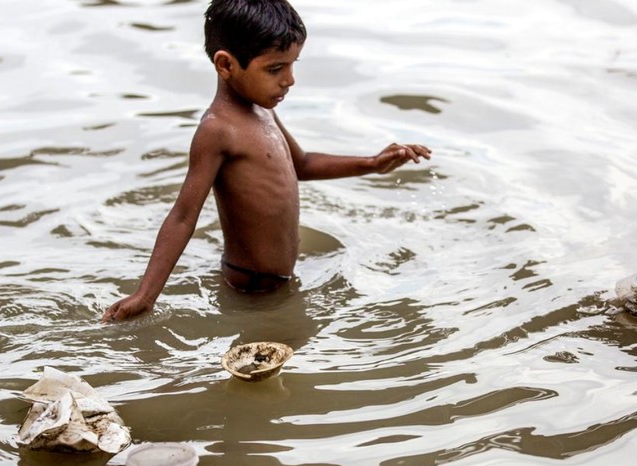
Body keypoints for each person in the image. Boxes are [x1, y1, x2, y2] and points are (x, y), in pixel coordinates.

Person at [103, 0, 431, 322]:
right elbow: (182, 216)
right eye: (275, 68)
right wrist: (145, 295)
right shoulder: (217, 130)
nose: (289, 79)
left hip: (279, 281)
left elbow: (301, 164)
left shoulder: (263, 110)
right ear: (226, 65)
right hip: (251, 289)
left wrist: (371, 163)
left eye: (292, 64)